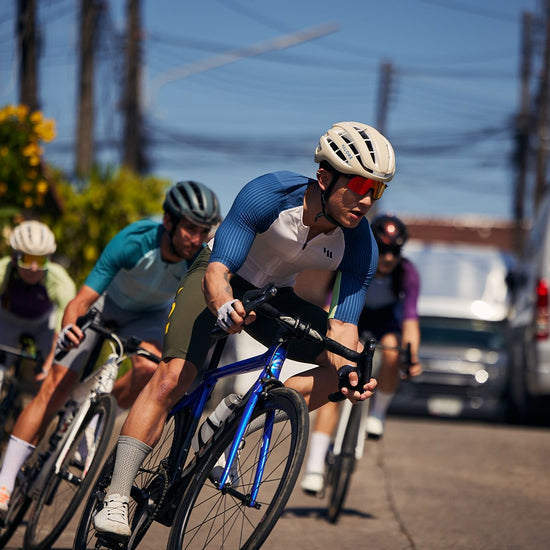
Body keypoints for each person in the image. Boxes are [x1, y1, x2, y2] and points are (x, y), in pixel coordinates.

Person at [92, 121, 395, 538]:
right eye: (360, 184)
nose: (366, 199)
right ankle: (116, 497)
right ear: (325, 176)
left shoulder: (361, 245)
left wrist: (348, 372)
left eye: (377, 190)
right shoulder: (269, 194)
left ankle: (233, 419)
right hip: (221, 278)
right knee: (173, 376)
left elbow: (342, 325)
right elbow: (218, 272)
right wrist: (223, 307)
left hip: (275, 296)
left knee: (343, 368)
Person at [0, 181, 221, 513]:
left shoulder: (199, 259)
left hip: (148, 315)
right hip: (106, 304)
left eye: (203, 231)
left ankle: (95, 419)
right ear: (169, 221)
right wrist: (71, 327)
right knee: (56, 388)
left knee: (149, 369)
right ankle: (4, 481)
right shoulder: (133, 242)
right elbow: (81, 300)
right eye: (190, 228)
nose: (197, 238)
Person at [301, 213, 422, 494]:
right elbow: (329, 309)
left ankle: (377, 414)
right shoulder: (356, 260)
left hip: (385, 322)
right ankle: (315, 465)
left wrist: (411, 356)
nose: (389, 258)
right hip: (353, 317)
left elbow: (411, 322)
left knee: (393, 353)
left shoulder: (408, 273)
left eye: (395, 252)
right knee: (337, 382)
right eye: (384, 250)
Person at [0, 220, 76, 379]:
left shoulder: (60, 281)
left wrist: (48, 367)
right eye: (27, 259)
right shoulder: (3, 270)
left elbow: (62, 331)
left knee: (50, 376)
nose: (34, 268)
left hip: (43, 325)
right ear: (14, 257)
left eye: (41, 260)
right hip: (8, 320)